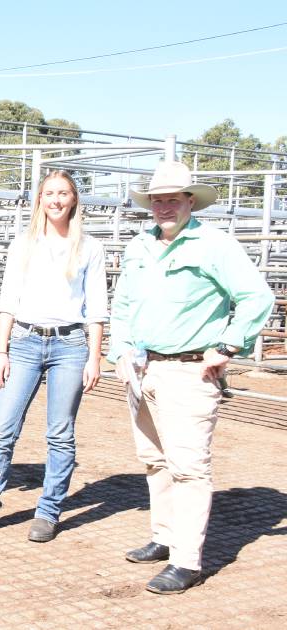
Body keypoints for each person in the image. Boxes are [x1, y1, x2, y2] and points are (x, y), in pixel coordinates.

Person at [110, 160, 273, 594]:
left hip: (188, 368)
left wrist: (229, 344)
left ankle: (187, 560)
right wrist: (120, 350)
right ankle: (164, 536)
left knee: (188, 467)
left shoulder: (213, 244)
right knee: (155, 459)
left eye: (171, 199)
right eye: (157, 200)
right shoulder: (138, 246)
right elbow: (123, 302)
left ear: (189, 201)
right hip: (143, 367)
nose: (163, 206)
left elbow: (257, 296)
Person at [0, 171, 108, 543]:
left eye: (63, 193)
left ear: (74, 199)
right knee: (3, 429)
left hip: (70, 344)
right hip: (26, 341)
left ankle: (48, 511)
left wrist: (95, 356)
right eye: (49, 194)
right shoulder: (24, 244)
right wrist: (1, 349)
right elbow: (8, 300)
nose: (55, 200)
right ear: (39, 200)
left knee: (60, 434)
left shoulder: (89, 247)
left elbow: (96, 307)